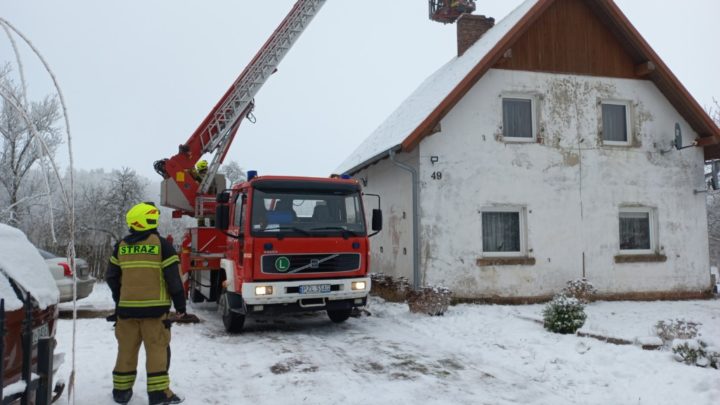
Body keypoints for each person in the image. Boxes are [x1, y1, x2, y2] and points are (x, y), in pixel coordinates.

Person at [106, 202, 186, 405]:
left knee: (126, 350)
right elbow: (174, 280)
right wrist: (181, 306)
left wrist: (120, 299)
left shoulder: (121, 246)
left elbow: (111, 277)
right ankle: (158, 394)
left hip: (126, 313)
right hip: (155, 313)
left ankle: (121, 392)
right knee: (157, 350)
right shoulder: (162, 245)